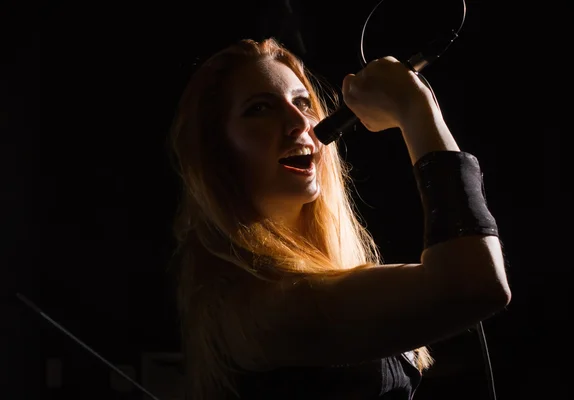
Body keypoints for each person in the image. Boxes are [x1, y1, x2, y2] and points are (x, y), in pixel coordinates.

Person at [167, 37, 511, 400]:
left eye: (303, 102)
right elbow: (475, 285)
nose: (300, 123)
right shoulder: (254, 305)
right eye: (260, 108)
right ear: (216, 153)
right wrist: (416, 107)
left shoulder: (319, 279)